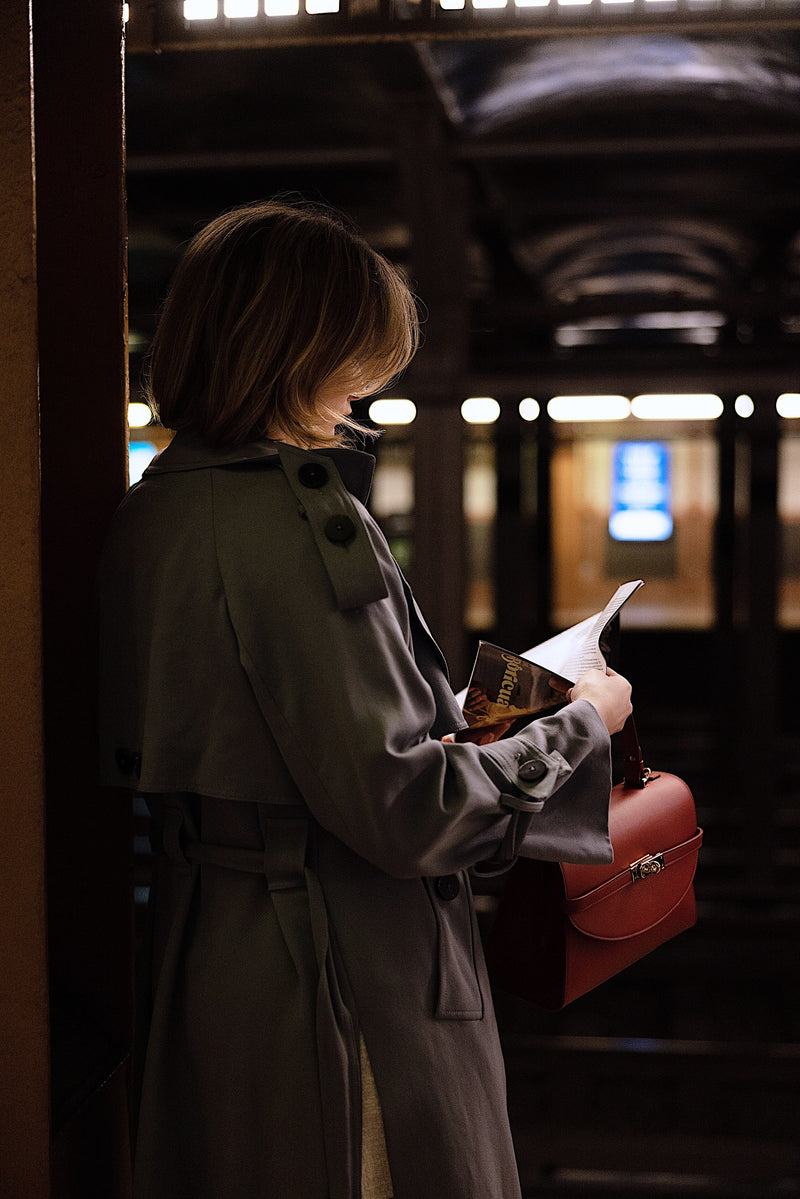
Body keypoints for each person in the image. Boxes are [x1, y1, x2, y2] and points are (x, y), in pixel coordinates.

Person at [97, 199, 632, 1199]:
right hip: (340, 976)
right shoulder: (294, 522)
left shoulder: (156, 503)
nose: (365, 387)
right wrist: (577, 721)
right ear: (305, 348)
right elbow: (403, 807)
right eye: (359, 354)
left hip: (213, 952)